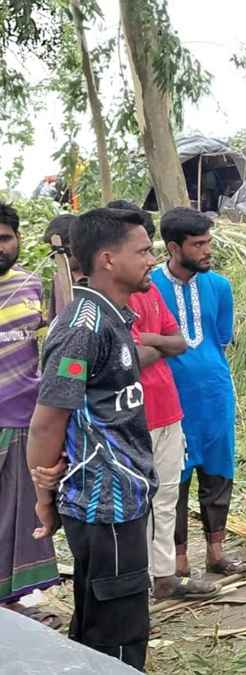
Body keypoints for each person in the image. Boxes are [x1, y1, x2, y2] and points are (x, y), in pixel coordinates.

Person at [26, 207, 156, 669]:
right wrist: (44, 498)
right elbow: (47, 421)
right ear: (107, 259)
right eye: (143, 251)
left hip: (121, 498)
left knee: (98, 620)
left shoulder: (111, 316)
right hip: (105, 504)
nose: (152, 260)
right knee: (118, 633)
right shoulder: (83, 328)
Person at [114, 203, 217, 600]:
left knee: (167, 495)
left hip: (168, 408)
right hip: (134, 414)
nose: (149, 259)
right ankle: (139, 581)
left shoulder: (150, 290)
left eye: (148, 249)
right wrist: (156, 345)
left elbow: (179, 343)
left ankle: (164, 577)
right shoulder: (108, 302)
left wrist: (149, 340)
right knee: (139, 501)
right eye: (141, 251)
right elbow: (127, 357)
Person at [150, 209, 246, 578]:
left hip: (215, 393)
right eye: (198, 244)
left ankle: (216, 553)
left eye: (208, 242)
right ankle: (178, 560)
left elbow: (220, 338)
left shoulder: (220, 286)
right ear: (174, 248)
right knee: (174, 474)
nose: (207, 250)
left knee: (218, 469)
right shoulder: (149, 287)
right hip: (170, 398)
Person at [0, 203, 61, 626]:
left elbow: (51, 343)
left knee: (18, 516)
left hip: (24, 418)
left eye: (5, 238)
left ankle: (9, 601)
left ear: (18, 239)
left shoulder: (33, 285)